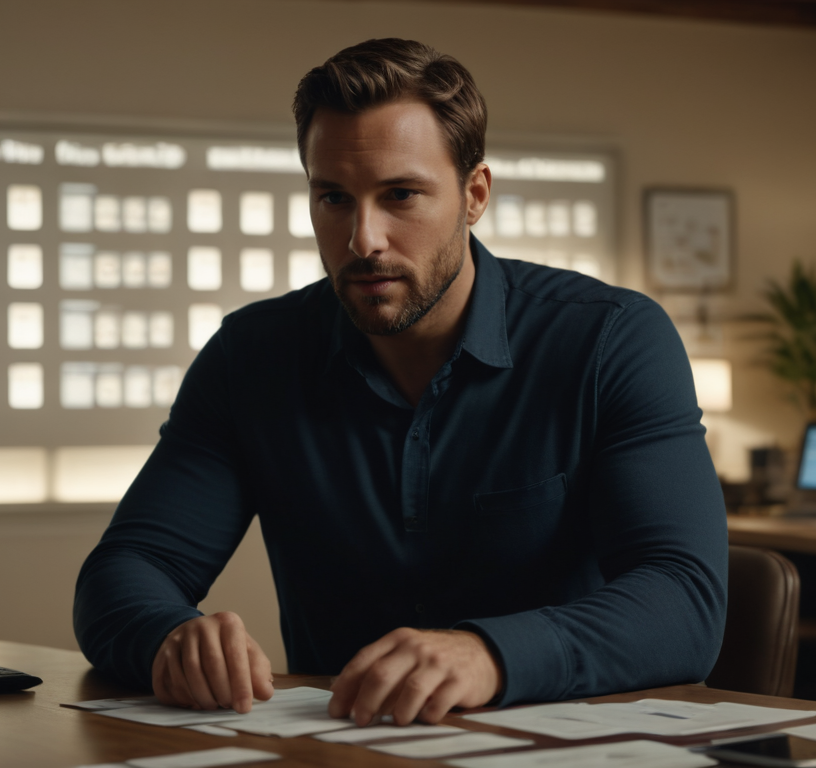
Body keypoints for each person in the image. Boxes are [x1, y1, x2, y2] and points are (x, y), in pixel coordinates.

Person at [74, 37, 727, 727]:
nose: (363, 239)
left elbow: (683, 601)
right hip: (341, 748)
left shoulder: (610, 340)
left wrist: (489, 654)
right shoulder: (251, 356)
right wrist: (169, 638)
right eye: (333, 198)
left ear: (474, 196)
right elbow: (125, 572)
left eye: (401, 195)